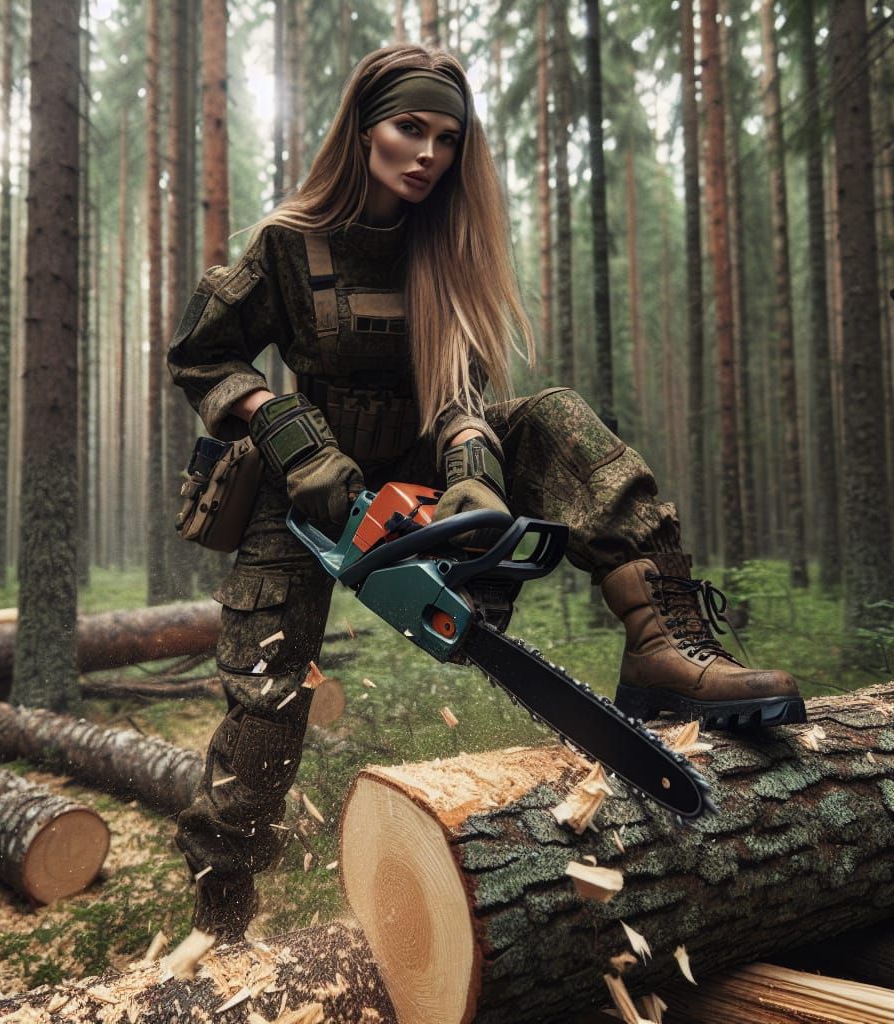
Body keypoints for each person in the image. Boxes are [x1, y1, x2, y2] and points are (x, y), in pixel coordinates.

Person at [166, 43, 802, 945]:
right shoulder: (287, 243)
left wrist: (472, 466)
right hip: (303, 485)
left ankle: (665, 643)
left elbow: (460, 391)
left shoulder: (448, 249)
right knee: (264, 690)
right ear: (364, 128)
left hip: (419, 455)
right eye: (408, 128)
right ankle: (220, 910)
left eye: (447, 139)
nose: (427, 153)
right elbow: (198, 352)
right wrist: (278, 422)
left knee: (549, 417)